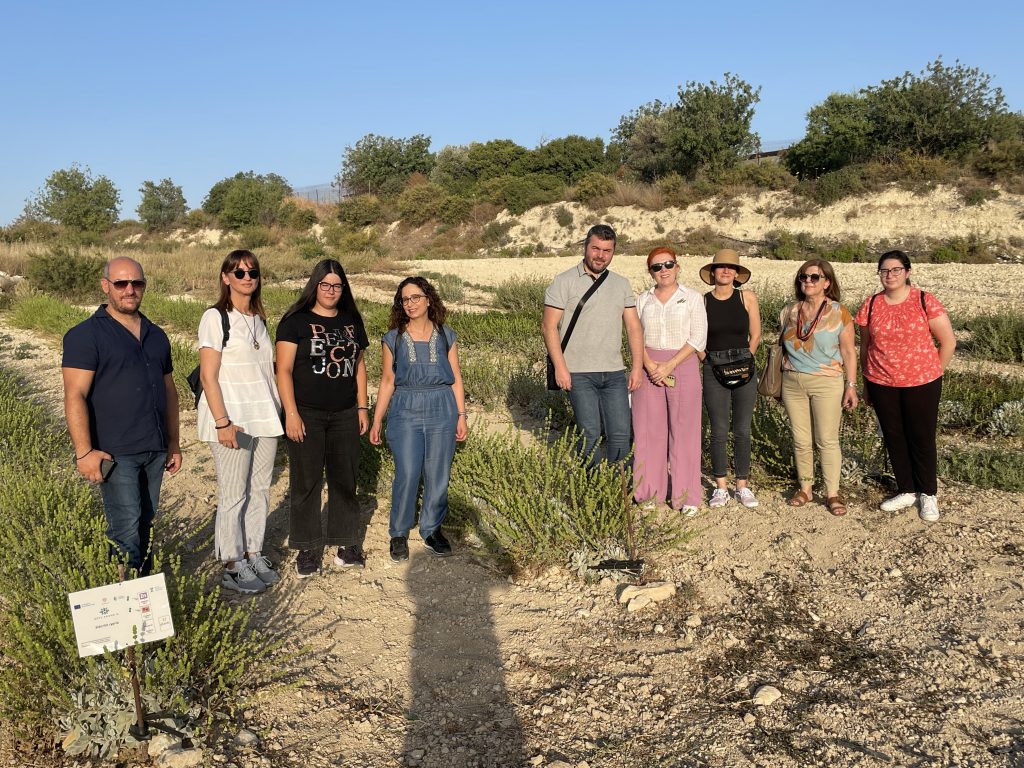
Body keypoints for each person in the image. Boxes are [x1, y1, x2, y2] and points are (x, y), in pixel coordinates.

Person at [62, 257, 182, 576]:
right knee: (125, 528)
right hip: (115, 452)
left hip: (155, 447)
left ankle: (145, 593)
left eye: (137, 283)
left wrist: (174, 443)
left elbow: (169, 392)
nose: (130, 290)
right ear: (106, 286)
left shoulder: (157, 335)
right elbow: (74, 395)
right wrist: (84, 453)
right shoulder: (85, 335)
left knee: (146, 522)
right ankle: (123, 597)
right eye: (121, 283)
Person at [276, 259, 370, 577]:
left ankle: (346, 544)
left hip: (345, 413)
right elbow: (283, 370)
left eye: (337, 285)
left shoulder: (351, 321)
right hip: (306, 413)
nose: (331, 291)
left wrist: (362, 407)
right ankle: (307, 548)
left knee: (345, 479)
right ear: (315, 286)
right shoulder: (295, 321)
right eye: (325, 284)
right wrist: (291, 413)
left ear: (344, 288)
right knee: (306, 482)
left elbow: (359, 366)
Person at [197, 250, 283, 594]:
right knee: (234, 493)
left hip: (264, 417)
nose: (248, 278)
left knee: (260, 489)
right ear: (226, 277)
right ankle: (232, 565)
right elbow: (208, 375)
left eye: (253, 272)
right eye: (240, 272)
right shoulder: (215, 317)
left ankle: (253, 553)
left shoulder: (259, 320)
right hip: (233, 420)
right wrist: (222, 422)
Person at [369, 277, 468, 562]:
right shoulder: (393, 338)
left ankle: (431, 529)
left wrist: (461, 415)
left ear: (428, 299)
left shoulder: (447, 335)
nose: (410, 304)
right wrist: (377, 420)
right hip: (405, 406)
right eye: (404, 299)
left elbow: (456, 377)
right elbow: (387, 381)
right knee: (408, 472)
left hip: (442, 406)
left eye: (415, 297)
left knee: (438, 473)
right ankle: (399, 532)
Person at [856, 250, 956, 522]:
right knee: (893, 435)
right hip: (881, 381)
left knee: (921, 437)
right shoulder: (871, 304)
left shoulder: (924, 300)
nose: (889, 275)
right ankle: (907, 489)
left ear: (907, 272)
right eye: (884, 270)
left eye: (896, 270)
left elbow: (948, 342)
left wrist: (934, 373)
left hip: (922, 382)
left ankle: (928, 493)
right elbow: (865, 346)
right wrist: (866, 382)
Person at [542, 224, 644, 467]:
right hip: (578, 372)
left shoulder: (621, 284)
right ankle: (592, 485)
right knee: (590, 434)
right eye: (596, 248)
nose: (601, 255)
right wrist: (561, 368)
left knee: (621, 433)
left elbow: (633, 327)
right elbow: (548, 327)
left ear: (613, 252)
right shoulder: (564, 281)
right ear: (585, 247)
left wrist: (637, 367)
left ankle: (619, 486)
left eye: (607, 251)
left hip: (614, 372)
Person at [632, 246, 707, 515]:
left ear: (677, 266)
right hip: (648, 367)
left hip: (682, 365)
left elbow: (698, 337)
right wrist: (650, 365)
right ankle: (648, 493)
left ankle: (686, 497)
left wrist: (669, 365)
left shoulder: (693, 298)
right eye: (657, 266)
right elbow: (634, 335)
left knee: (685, 432)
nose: (663, 270)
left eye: (668, 264)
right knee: (648, 432)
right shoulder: (642, 300)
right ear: (650, 271)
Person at [780, 259, 858, 516]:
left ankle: (832, 493)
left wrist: (851, 385)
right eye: (803, 276)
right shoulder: (789, 310)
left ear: (827, 282)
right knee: (801, 439)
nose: (808, 281)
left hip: (827, 382)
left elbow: (849, 351)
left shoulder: (839, 312)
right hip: (792, 381)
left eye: (815, 277)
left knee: (827, 440)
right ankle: (805, 488)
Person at [698, 249, 762, 509]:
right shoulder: (702, 302)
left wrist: (747, 359)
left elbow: (756, 335)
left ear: (737, 274)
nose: (726, 271)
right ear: (713, 272)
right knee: (719, 429)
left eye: (731, 268)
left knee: (743, 429)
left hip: (743, 364)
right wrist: (706, 359)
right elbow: (695, 336)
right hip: (713, 366)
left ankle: (742, 485)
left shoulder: (747, 297)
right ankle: (721, 487)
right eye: (721, 267)